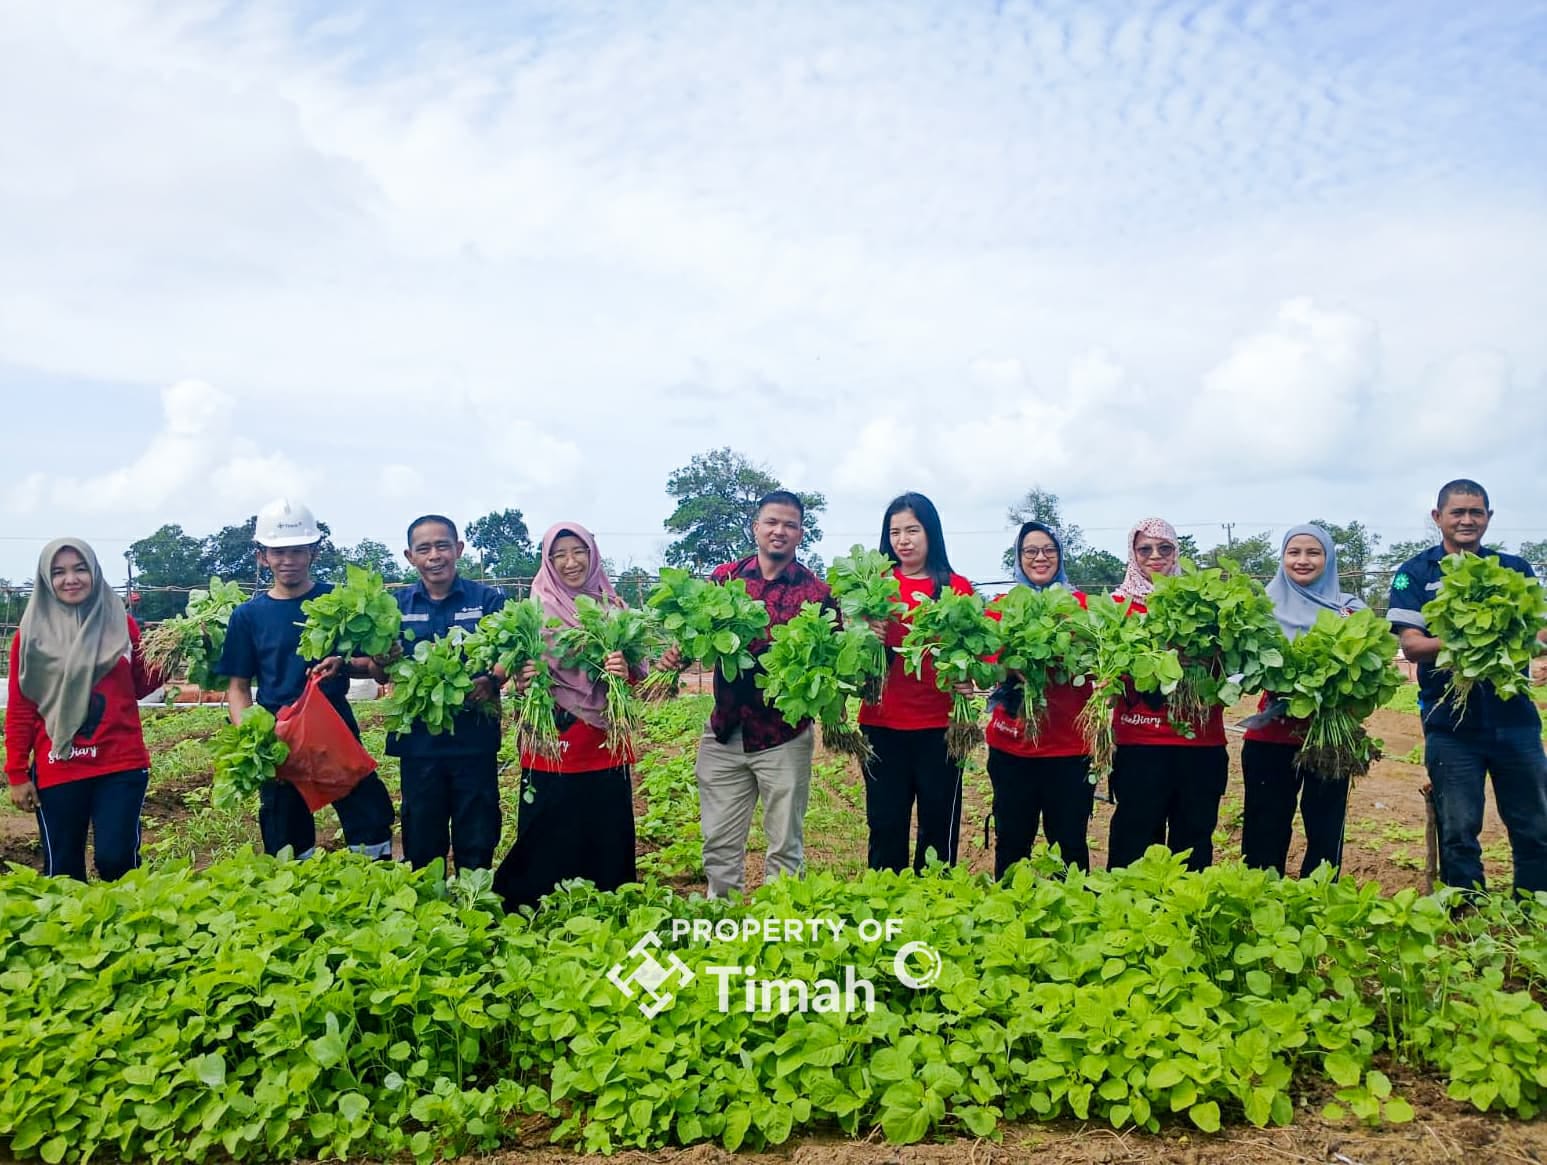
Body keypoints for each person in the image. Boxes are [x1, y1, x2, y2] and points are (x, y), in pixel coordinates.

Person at [663, 490, 834, 898]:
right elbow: (698, 639)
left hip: (783, 735)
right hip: (725, 731)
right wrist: (678, 655)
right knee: (718, 842)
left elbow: (831, 663)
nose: (780, 531)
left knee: (785, 846)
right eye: (772, 522)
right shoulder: (724, 580)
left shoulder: (818, 594)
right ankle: (720, 918)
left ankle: (780, 924)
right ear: (756, 527)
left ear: (800, 533)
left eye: (790, 525)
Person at [1387, 479, 1547, 894]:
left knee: (1534, 822)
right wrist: (1468, 641)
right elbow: (1412, 644)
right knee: (1458, 825)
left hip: (1515, 720)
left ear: (1489, 518)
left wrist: (1519, 638)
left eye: (1476, 512)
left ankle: (1533, 904)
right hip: (1449, 722)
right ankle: (1467, 908)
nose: (1467, 520)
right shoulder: (1414, 573)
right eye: (1457, 512)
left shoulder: (1514, 570)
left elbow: (1538, 631)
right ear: (1437, 517)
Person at [217, 498, 395, 860]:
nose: (288, 561)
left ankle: (376, 884)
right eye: (278, 552)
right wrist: (253, 737)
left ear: (314, 552)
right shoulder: (248, 616)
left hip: (334, 729)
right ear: (262, 556)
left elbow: (373, 667)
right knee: (285, 832)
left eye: (297, 551)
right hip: (279, 732)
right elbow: (237, 687)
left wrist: (345, 664)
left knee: (368, 818)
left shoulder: (338, 602)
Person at [493, 522, 639, 909]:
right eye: (559, 555)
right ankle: (535, 904)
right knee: (547, 824)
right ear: (547, 560)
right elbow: (509, 673)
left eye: (579, 552)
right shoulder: (532, 611)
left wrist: (625, 670)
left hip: (604, 738)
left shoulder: (616, 609)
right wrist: (522, 679)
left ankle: (608, 902)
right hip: (551, 739)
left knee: (605, 824)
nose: (570, 562)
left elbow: (640, 675)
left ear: (593, 555)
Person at [5, 539, 163, 881]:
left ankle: (127, 930)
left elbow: (141, 686)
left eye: (80, 569)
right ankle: (68, 933)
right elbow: (21, 708)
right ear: (47, 579)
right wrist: (17, 774)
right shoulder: (30, 638)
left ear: (94, 572)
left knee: (117, 861)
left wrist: (169, 654)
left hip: (120, 763)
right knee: (63, 872)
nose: (70, 579)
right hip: (59, 764)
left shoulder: (122, 626)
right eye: (59, 572)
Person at [856, 493, 975, 872]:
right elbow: (846, 649)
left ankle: (936, 903)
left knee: (939, 824)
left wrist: (968, 675)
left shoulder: (956, 587)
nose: (903, 540)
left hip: (941, 727)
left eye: (912, 530)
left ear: (930, 533)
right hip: (881, 723)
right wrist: (863, 632)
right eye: (895, 532)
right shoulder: (872, 587)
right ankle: (886, 901)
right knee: (886, 823)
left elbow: (976, 649)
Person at [1241, 525, 1366, 876]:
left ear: (1328, 559)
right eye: (1294, 552)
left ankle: (1319, 902)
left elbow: (1365, 678)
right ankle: (1260, 900)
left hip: (1330, 738)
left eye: (1313, 552)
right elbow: (1243, 668)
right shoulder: (1259, 609)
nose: (1303, 560)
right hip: (1271, 737)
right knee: (1264, 827)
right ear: (1282, 558)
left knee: (1326, 829)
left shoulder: (1350, 611)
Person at [1106, 518, 1229, 872]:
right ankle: (1130, 916)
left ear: (1177, 552)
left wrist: (1206, 658)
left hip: (1200, 743)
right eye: (1145, 549)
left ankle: (1187, 918)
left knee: (1193, 840)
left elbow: (1232, 666)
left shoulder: (1205, 602)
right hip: (1140, 741)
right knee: (1134, 837)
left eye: (1165, 548)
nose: (1155, 556)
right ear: (1133, 553)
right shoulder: (1118, 605)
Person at [383, 515, 506, 872]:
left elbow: (509, 655)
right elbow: (377, 666)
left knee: (478, 831)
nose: (434, 555)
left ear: (459, 549)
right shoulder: (396, 606)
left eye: (442, 546)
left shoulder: (487, 601)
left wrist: (493, 681)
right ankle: (429, 908)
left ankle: (475, 901)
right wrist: (380, 658)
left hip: (475, 739)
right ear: (410, 556)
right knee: (422, 831)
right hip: (419, 743)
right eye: (424, 548)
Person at [983, 521, 1096, 875]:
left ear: (1060, 556)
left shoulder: (1080, 606)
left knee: (1070, 842)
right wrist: (1005, 664)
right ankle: (1009, 913)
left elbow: (1096, 662)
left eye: (1049, 550)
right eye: (1030, 551)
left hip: (1069, 747)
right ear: (1018, 558)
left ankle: (1073, 915)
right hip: (1012, 746)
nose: (1040, 557)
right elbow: (983, 660)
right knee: (1013, 840)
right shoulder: (1002, 606)